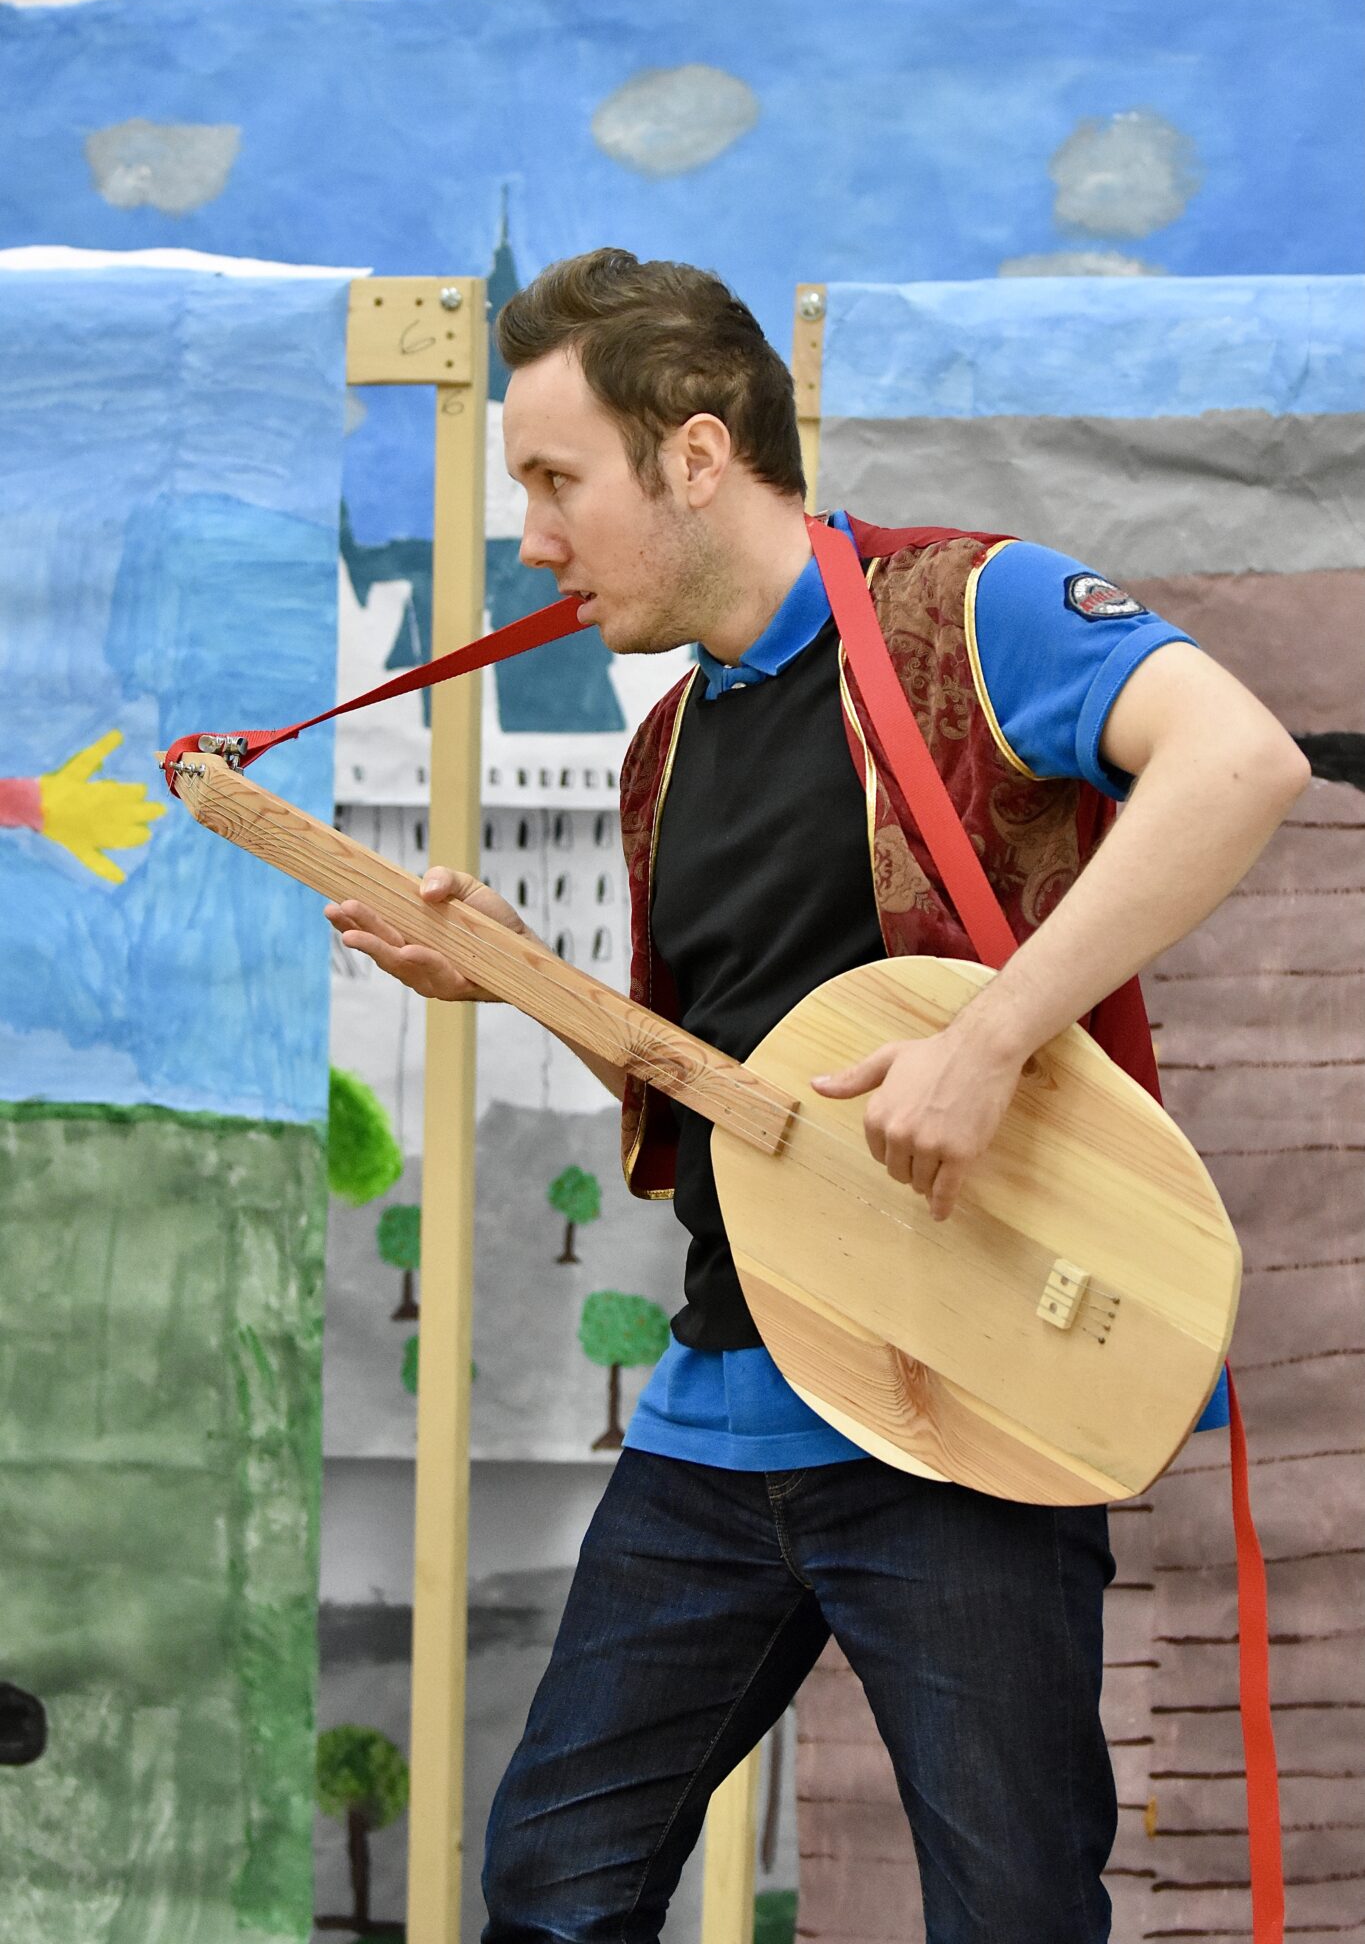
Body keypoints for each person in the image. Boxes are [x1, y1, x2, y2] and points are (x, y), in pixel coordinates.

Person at [325, 249, 1308, 1944]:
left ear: (695, 455)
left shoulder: (969, 612)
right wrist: (525, 980)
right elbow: (738, 1101)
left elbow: (1241, 760)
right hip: (720, 1407)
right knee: (553, 1885)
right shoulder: (663, 751)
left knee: (1009, 1915)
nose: (533, 539)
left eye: (556, 481)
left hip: (961, 1409)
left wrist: (989, 1040)